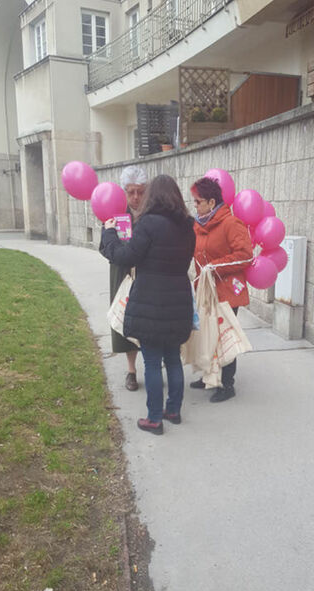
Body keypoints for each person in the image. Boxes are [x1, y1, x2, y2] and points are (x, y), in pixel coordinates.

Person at [100, 174, 195, 436]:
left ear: (152, 196)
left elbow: (123, 256)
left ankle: (155, 419)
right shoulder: (188, 225)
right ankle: (173, 410)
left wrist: (109, 234)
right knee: (173, 359)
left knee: (152, 362)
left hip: (150, 302)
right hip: (178, 300)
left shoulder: (148, 224)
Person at [190, 176, 253, 402]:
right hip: (206, 291)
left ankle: (227, 384)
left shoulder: (231, 223)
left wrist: (213, 267)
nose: (194, 206)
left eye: (198, 202)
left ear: (211, 201)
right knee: (206, 335)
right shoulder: (199, 225)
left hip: (226, 291)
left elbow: (245, 256)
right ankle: (209, 376)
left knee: (223, 337)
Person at [108, 165, 147, 391]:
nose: (135, 197)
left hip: (146, 272)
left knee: (149, 320)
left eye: (140, 191)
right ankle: (131, 371)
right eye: (131, 191)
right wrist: (108, 231)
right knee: (126, 319)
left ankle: (154, 363)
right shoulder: (115, 212)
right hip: (122, 272)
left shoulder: (152, 213)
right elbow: (105, 247)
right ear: (124, 191)